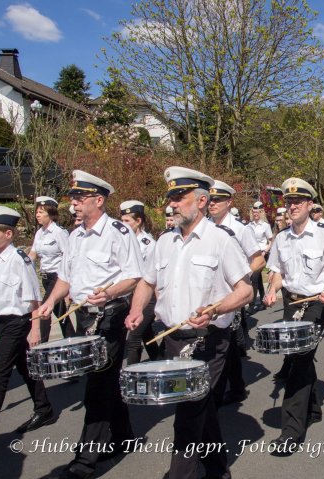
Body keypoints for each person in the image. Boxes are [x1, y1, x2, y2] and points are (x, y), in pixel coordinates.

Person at [126, 167, 252, 479]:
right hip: (173, 339)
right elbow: (146, 281)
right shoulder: (164, 242)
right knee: (202, 408)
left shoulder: (221, 241)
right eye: (171, 198)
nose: (172, 205)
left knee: (187, 412)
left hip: (208, 341)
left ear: (201, 201)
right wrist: (137, 309)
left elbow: (246, 290)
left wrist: (215, 309)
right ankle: (217, 469)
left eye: (179, 198)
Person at [35, 170, 143, 479]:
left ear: (99, 200)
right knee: (105, 381)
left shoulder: (118, 233)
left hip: (109, 317)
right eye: (72, 197)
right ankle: (123, 435)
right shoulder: (74, 235)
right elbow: (65, 279)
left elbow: (134, 276)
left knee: (96, 387)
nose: (74, 203)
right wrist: (48, 301)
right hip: (84, 317)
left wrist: (108, 292)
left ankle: (84, 462)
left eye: (80, 198)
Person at [263, 177, 324, 452]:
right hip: (291, 302)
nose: (292, 206)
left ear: (310, 205)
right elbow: (276, 272)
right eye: (289, 202)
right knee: (300, 356)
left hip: (315, 304)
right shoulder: (282, 238)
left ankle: (291, 432)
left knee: (298, 359)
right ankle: (313, 408)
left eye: (298, 201)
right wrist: (272, 289)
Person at [0, 206, 54, 457]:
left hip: (18, 322)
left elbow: (34, 299)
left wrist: (35, 329)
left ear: (8, 234)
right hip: (1, 321)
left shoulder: (20, 261)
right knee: (23, 365)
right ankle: (44, 409)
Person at [208, 180, 266, 406]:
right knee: (227, 340)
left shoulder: (241, 229)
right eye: (210, 199)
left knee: (223, 339)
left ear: (229, 202)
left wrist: (238, 281)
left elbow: (259, 260)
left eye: (218, 199)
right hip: (212, 294)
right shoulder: (205, 226)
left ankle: (217, 393)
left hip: (232, 294)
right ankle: (236, 387)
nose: (213, 204)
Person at [29, 196, 75, 342]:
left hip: (58, 277)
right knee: (60, 313)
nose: (38, 215)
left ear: (51, 214)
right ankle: (72, 339)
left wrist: (69, 286)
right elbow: (33, 253)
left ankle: (41, 343)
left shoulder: (59, 232)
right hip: (46, 277)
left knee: (44, 309)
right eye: (37, 212)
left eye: (41, 212)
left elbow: (68, 257)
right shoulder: (40, 233)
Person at [120, 200, 160, 365]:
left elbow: (154, 276)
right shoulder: (121, 240)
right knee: (147, 334)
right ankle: (160, 360)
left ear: (138, 221)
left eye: (127, 221)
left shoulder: (149, 244)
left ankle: (131, 376)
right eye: (122, 221)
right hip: (128, 295)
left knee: (134, 338)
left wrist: (159, 303)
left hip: (146, 297)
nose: (124, 225)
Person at [247, 201, 272, 312]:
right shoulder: (249, 225)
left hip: (262, 253)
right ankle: (263, 300)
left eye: (257, 212)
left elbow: (271, 241)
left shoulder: (265, 226)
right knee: (259, 279)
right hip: (252, 254)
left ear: (261, 213)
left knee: (254, 278)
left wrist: (265, 252)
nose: (255, 214)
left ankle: (252, 305)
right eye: (254, 212)